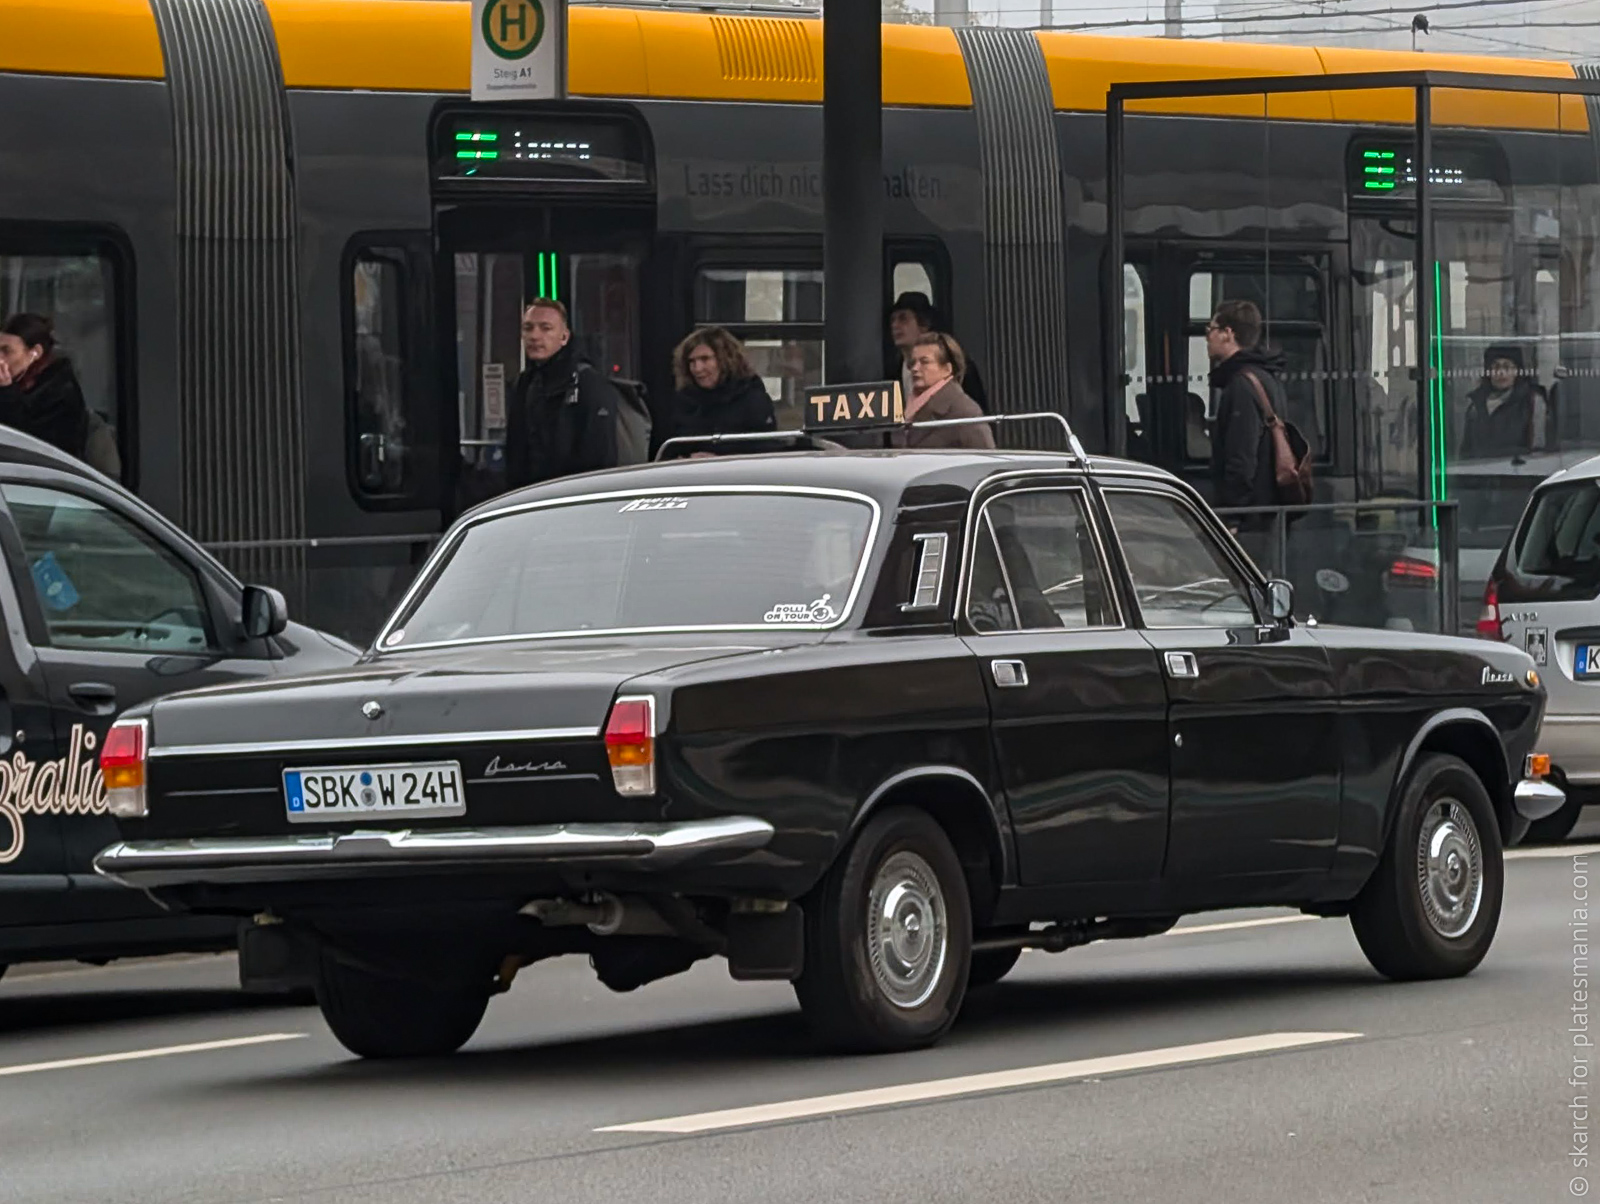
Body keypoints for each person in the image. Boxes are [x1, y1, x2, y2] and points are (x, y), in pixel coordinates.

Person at [504, 299, 620, 490]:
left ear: (564, 337)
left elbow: (600, 453)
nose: (535, 336)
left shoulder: (587, 382)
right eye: (528, 328)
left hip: (572, 495)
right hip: (527, 496)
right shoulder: (524, 383)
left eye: (546, 328)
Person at [1205, 299, 1289, 552]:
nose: (1206, 337)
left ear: (1228, 333)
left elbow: (1241, 456)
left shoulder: (1241, 385)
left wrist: (1233, 516)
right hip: (1264, 514)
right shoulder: (1266, 378)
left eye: (1210, 329)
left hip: (1248, 522)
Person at [0, 314, 91, 462]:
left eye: (7, 351)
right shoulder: (20, 382)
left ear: (35, 352)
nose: (1, 358)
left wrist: (6, 393)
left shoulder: (59, 391)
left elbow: (25, 438)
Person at [670, 326, 778, 442]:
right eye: (692, 361)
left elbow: (766, 446)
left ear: (725, 359)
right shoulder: (685, 400)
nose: (697, 368)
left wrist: (718, 456)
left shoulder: (753, 398)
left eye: (705, 359)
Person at [885, 291, 988, 412]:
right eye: (892, 320)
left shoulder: (958, 365)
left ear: (924, 324)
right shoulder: (893, 373)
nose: (895, 325)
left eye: (903, 319)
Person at [894, 332, 994, 450]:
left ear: (947, 369)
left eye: (924, 362)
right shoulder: (904, 407)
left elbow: (984, 460)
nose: (915, 368)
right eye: (912, 363)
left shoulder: (963, 411)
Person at [1459, 343, 1547, 461]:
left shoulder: (1531, 402)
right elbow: (1466, 450)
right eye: (1495, 367)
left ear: (1517, 371)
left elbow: (1537, 451)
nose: (1501, 373)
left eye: (1507, 367)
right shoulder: (1474, 404)